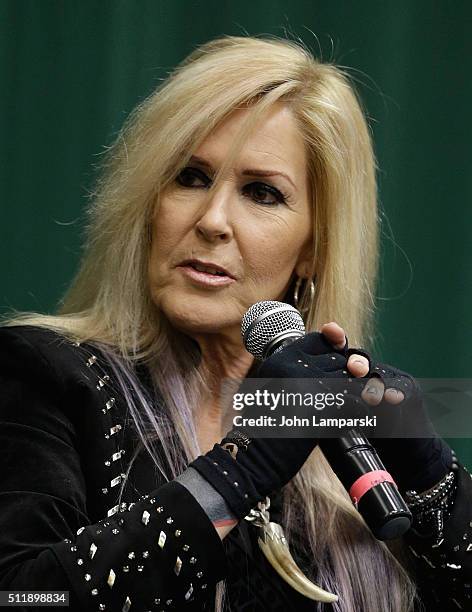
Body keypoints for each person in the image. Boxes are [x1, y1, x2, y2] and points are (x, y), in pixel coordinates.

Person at [0, 35, 470, 612]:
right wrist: (237, 472)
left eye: (261, 192)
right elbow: (23, 595)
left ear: (313, 250)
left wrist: (435, 484)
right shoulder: (42, 374)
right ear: (149, 203)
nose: (212, 220)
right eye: (190, 178)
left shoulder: (343, 444)